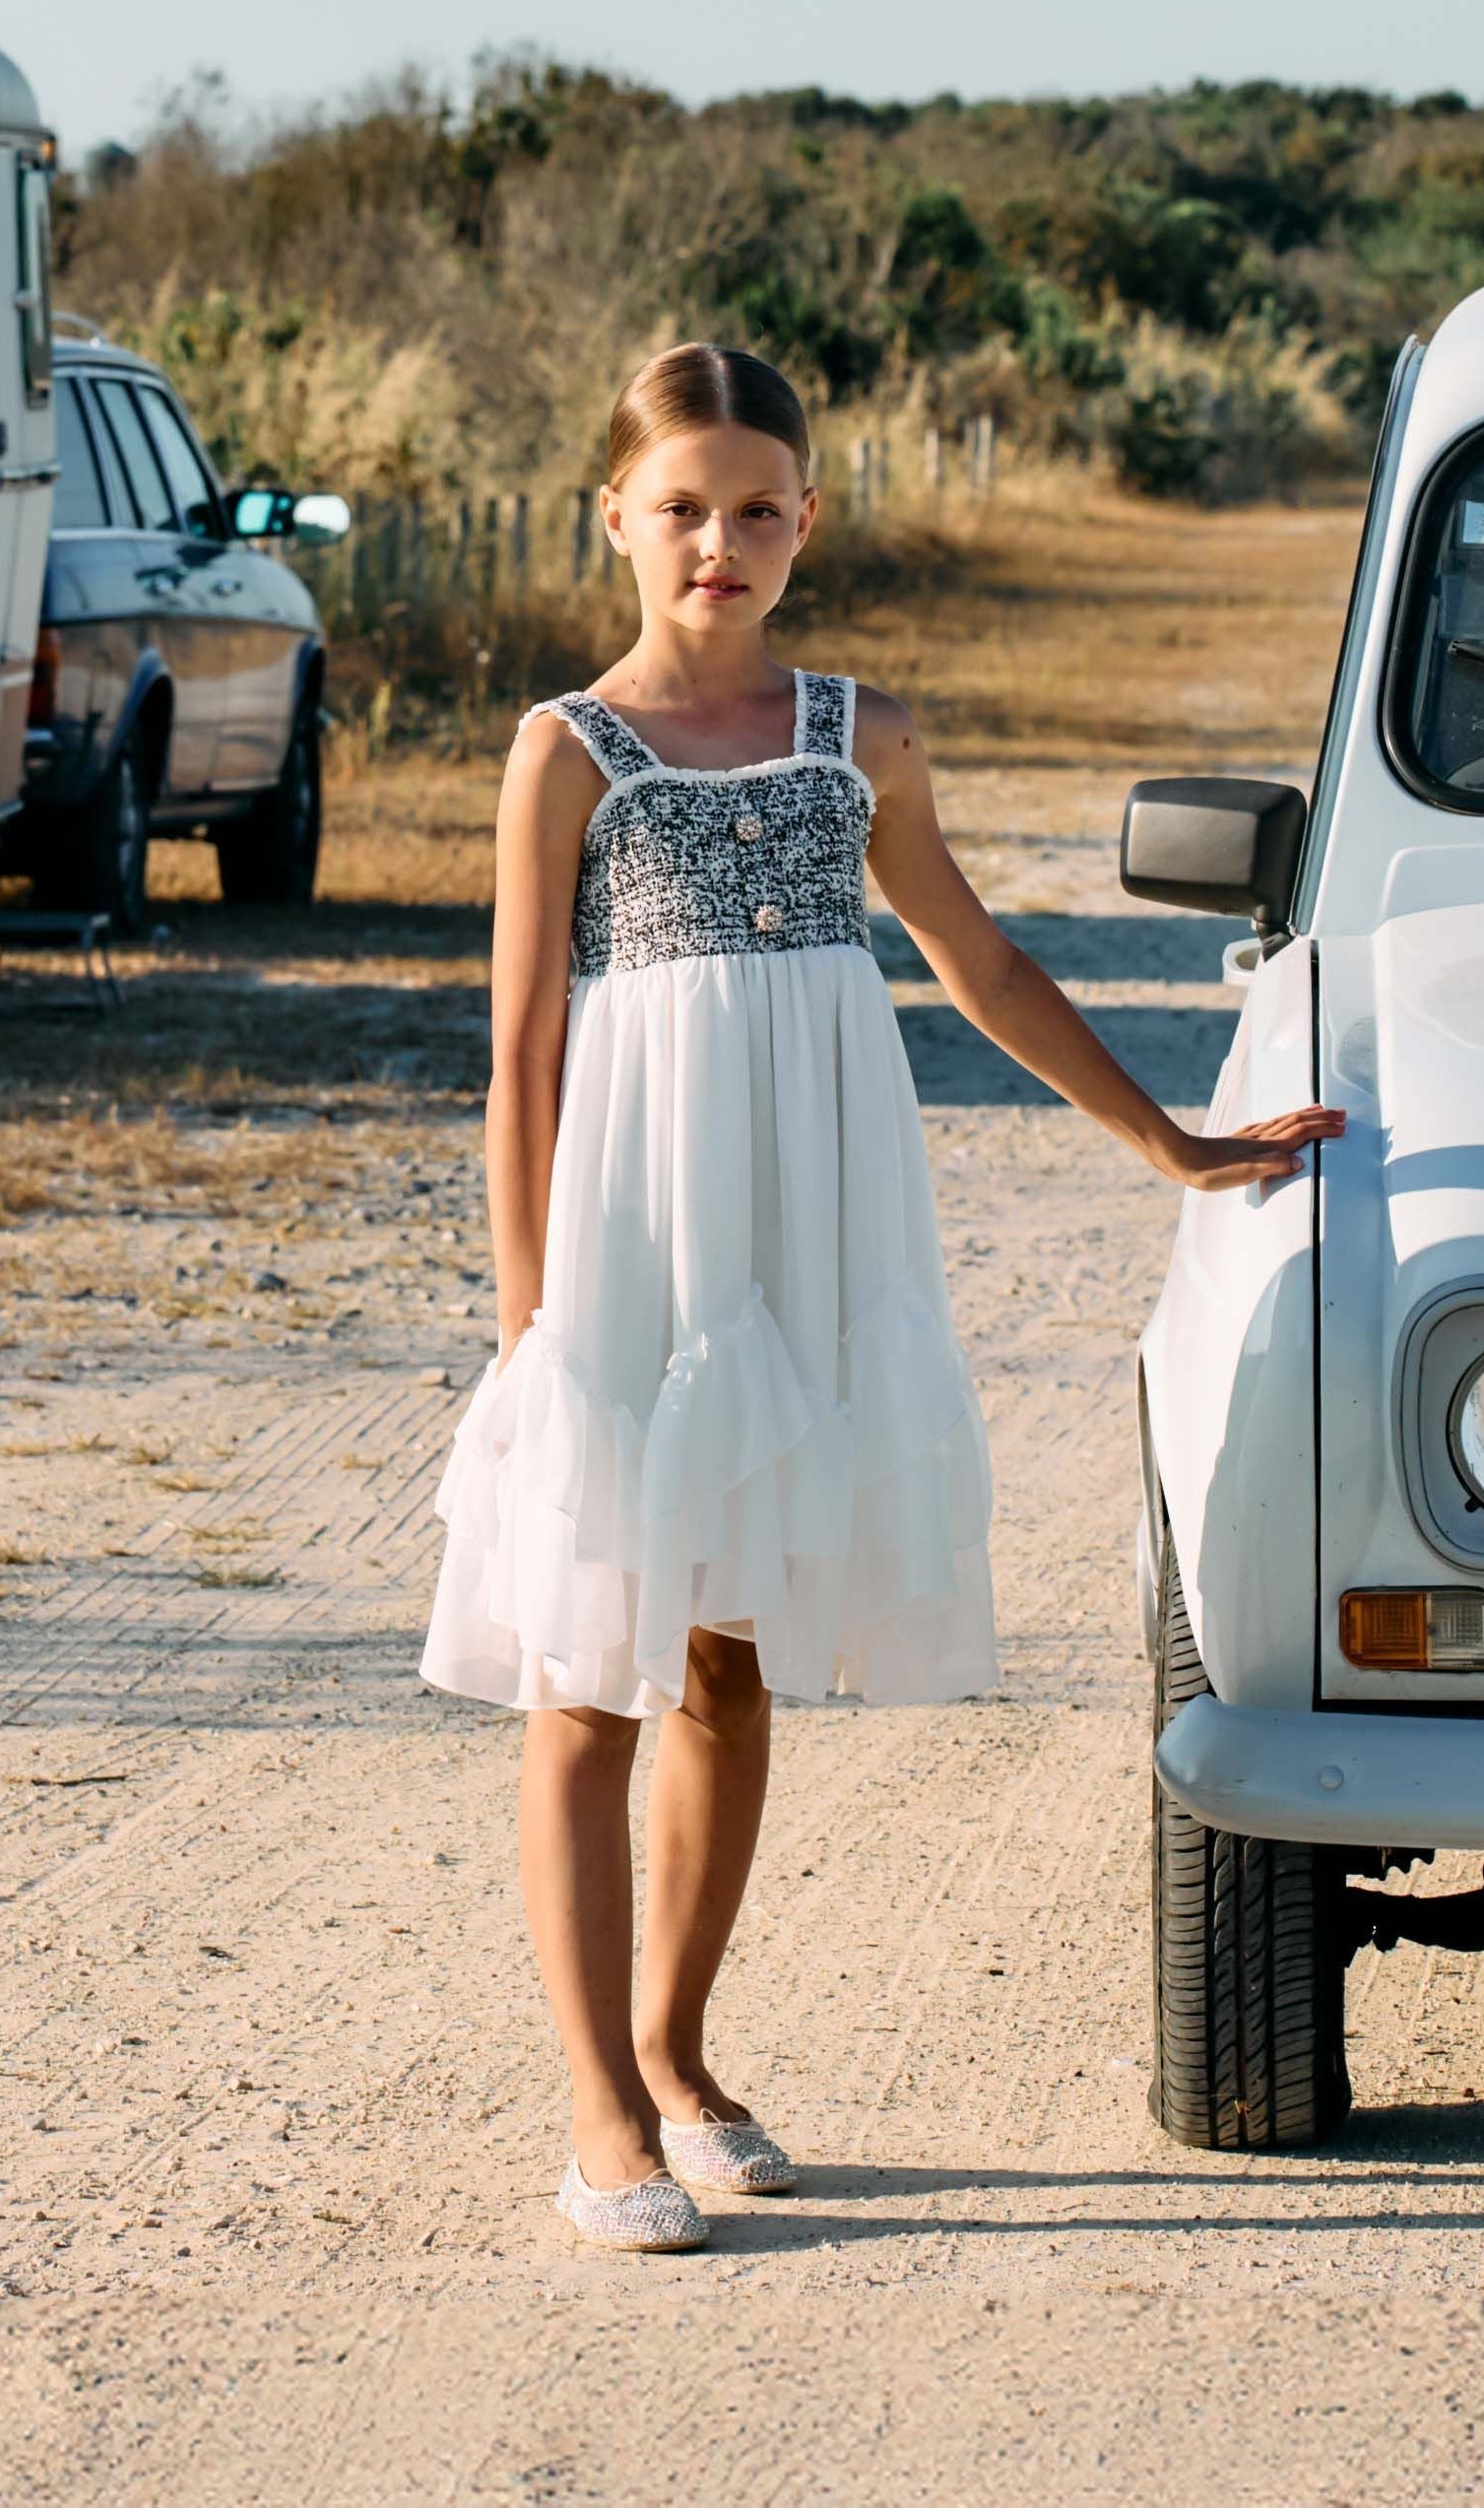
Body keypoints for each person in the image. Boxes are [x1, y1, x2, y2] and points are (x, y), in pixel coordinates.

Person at [420, 342, 1338, 2254]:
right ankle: (598, 2105)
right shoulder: (562, 750)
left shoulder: (862, 733)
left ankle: (678, 2052)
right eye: (682, 506)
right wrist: (535, 1332)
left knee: (732, 1650)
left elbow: (982, 964)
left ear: (807, 516)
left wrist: (1169, 1142)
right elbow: (518, 1053)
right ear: (618, 515)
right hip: (630, 1242)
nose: (719, 543)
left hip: (806, 1223)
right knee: (593, 1662)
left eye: (758, 507)